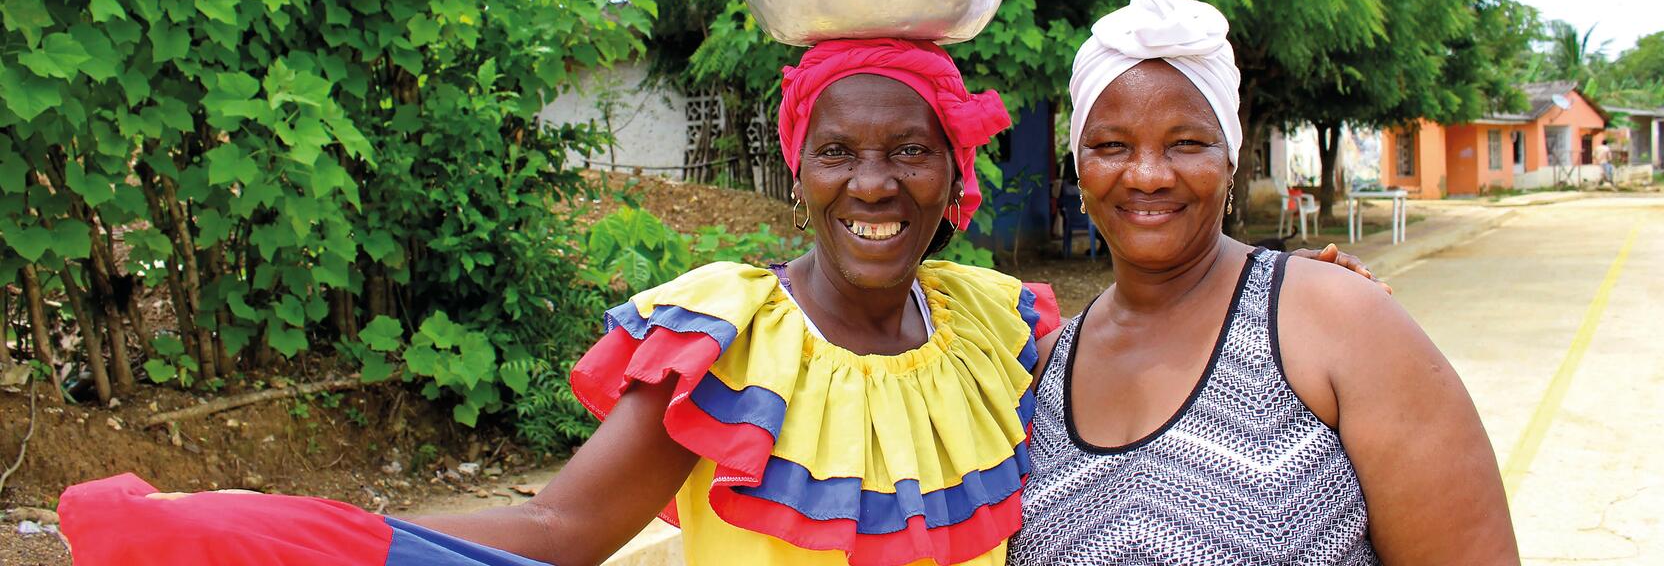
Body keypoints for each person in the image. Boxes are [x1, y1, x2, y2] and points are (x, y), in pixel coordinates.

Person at [60, 38, 1378, 566]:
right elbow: (558, 527)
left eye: (911, 150)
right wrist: (273, 535)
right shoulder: (726, 338)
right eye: (841, 151)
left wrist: (1281, 286)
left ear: (955, 175)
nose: (876, 184)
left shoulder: (996, 328)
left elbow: (1146, 345)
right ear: (796, 169)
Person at [1007, 0, 1518, 565]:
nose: (1147, 174)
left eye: (1187, 143)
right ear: (1081, 164)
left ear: (1232, 159)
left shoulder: (1337, 322)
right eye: (1111, 145)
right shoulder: (1042, 370)